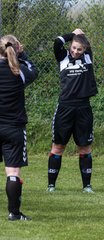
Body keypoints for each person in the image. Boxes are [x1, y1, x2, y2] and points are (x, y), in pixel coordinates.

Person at [47, 29, 97, 193]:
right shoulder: (62, 57)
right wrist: (72, 34)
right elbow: (57, 42)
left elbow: (85, 43)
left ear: (84, 50)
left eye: (79, 49)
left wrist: (82, 36)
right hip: (65, 107)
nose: (75, 51)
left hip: (83, 107)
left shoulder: (88, 57)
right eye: (73, 47)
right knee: (58, 146)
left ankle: (87, 186)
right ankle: (51, 185)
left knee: (84, 147)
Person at [0, 35, 38, 220]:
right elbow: (34, 70)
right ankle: (14, 213)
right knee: (13, 172)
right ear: (16, 48)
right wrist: (23, 54)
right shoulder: (19, 71)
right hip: (13, 128)